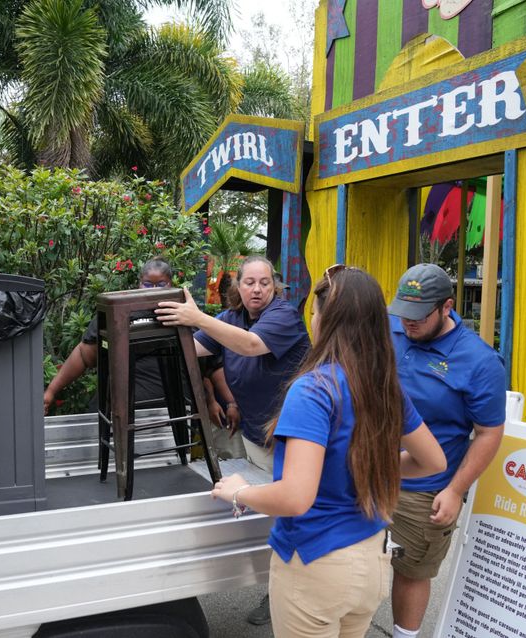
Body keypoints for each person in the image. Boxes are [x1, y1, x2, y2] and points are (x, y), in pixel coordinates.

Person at [209, 265, 446, 638]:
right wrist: (366, 467)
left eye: (315, 314)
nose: (312, 321)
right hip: (372, 559)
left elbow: (295, 497)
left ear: (326, 320)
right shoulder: (383, 384)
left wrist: (238, 492)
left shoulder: (313, 390)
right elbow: (434, 461)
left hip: (316, 564)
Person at [155, 254, 310, 624]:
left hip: (295, 438)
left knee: (296, 514)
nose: (257, 289)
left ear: (275, 286)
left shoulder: (283, 316)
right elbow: (194, 348)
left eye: (265, 283)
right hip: (258, 433)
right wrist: (152, 327)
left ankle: (290, 595)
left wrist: (197, 317)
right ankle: (282, 589)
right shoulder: (229, 318)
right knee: (277, 516)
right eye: (249, 282)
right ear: (237, 287)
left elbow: (251, 345)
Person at [386, 263, 507, 638]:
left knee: (411, 570)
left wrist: (455, 490)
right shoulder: (393, 330)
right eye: (403, 314)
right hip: (371, 471)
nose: (409, 324)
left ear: (447, 306)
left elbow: (488, 433)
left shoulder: (480, 361)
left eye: (419, 316)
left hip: (424, 489)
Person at [43, 257, 179, 414]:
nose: (154, 290)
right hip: (118, 410)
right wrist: (51, 391)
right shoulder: (118, 313)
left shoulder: (184, 312)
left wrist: (209, 400)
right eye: (148, 284)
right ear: (139, 284)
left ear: (171, 284)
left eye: (161, 285)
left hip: (173, 412)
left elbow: (205, 360)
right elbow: (83, 355)